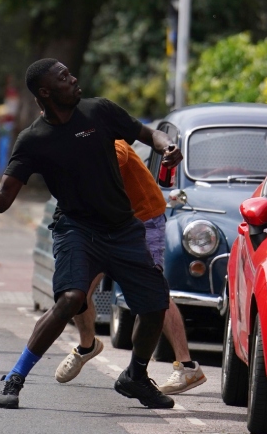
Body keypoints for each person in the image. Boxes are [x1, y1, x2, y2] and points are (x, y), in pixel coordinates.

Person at [0, 58, 182, 410]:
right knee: (71, 298)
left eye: (70, 73)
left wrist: (166, 146)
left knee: (154, 305)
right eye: (64, 77)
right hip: (77, 228)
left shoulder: (99, 112)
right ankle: (14, 377)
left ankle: (136, 377)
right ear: (45, 92)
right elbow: (2, 201)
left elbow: (147, 133)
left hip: (122, 228)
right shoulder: (33, 140)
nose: (74, 79)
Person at [55, 140, 206, 395]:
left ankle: (187, 367)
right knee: (77, 290)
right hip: (106, 225)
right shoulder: (66, 145)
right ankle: (87, 345)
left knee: (155, 294)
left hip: (144, 220)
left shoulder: (107, 141)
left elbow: (113, 161)